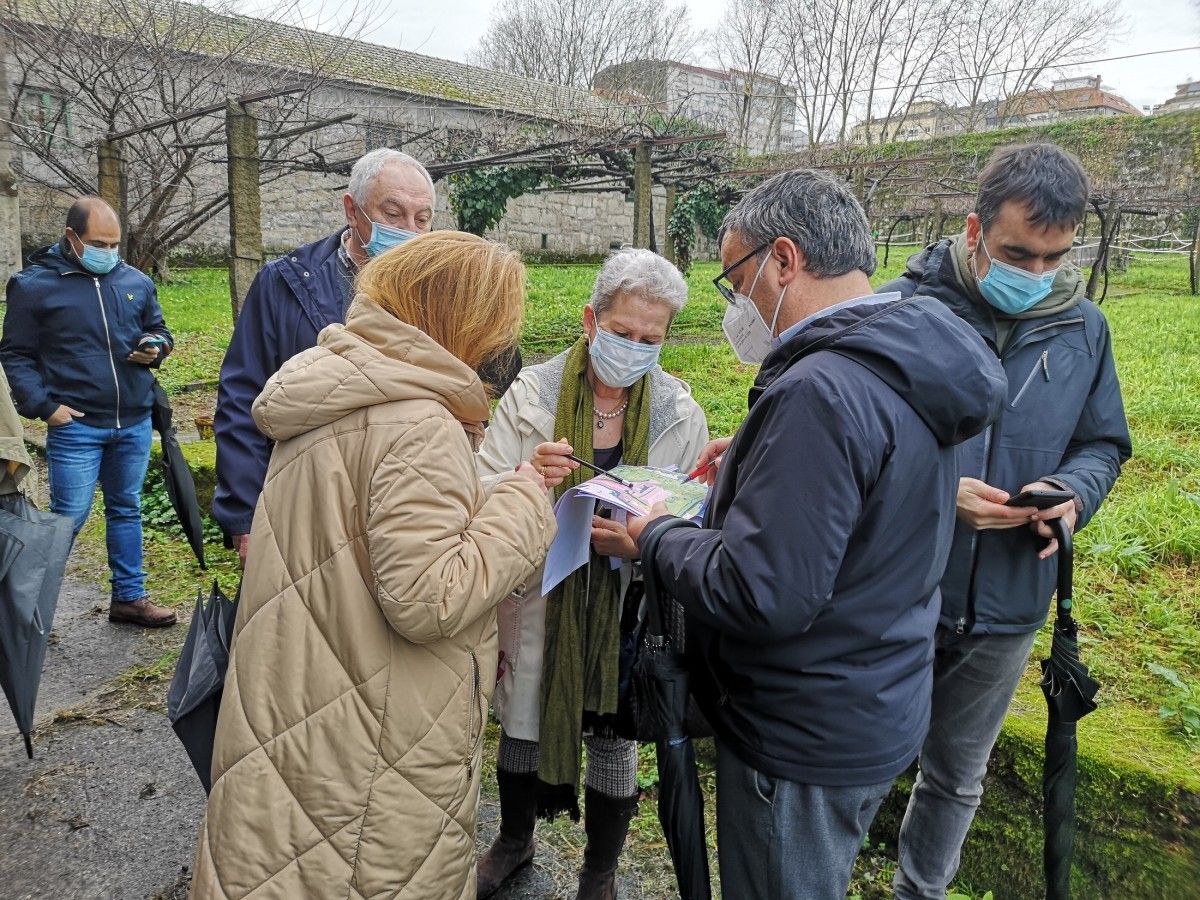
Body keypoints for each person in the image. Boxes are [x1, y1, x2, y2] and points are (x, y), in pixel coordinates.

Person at [626, 169, 1007, 899]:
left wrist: (657, 534)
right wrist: (757, 459)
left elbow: (760, 591)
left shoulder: (819, 390)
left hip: (799, 732)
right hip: (874, 696)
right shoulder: (907, 354)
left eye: (736, 278)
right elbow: (870, 496)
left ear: (784, 260)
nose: (736, 303)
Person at [191, 232, 556, 899]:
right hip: (378, 731)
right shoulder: (419, 422)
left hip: (311, 693)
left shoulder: (344, 390)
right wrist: (525, 502)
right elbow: (429, 597)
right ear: (461, 321)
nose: (504, 339)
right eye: (498, 321)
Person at [880, 144, 1131, 900]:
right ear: (972, 229)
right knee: (861, 754)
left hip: (1012, 599)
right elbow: (854, 442)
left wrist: (1071, 493)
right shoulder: (902, 312)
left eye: (1053, 258)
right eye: (1018, 252)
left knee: (957, 777)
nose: (1034, 272)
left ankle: (917, 894)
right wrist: (939, 488)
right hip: (901, 586)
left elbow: (1104, 442)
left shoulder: (1084, 328)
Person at [474, 249, 708, 900]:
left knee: (613, 737)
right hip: (539, 591)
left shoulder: (678, 413)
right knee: (523, 725)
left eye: (649, 339)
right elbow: (477, 485)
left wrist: (644, 546)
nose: (634, 348)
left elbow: (687, 511)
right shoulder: (532, 396)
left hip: (624, 609)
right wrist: (526, 478)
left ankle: (599, 872)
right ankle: (515, 841)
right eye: (622, 332)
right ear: (590, 319)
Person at [214, 148, 486, 566]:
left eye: (422, 219)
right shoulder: (286, 283)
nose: (409, 230)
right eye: (393, 213)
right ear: (352, 210)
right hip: (304, 499)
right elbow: (242, 397)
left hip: (402, 503)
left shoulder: (436, 293)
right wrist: (245, 515)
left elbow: (483, 375)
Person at [0, 197, 176, 627]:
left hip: (132, 420)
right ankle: (30, 615)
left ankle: (129, 598)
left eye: (115, 244)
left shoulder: (134, 280)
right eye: (99, 243)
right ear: (72, 238)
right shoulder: (34, 286)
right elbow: (15, 354)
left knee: (126, 508)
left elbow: (160, 329)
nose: (109, 253)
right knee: (68, 520)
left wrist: (156, 348)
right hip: (76, 426)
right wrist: (44, 407)